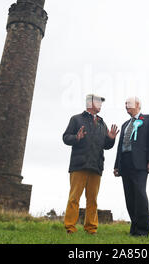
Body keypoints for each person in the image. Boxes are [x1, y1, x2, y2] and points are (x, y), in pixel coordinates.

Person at [63, 94, 119, 234]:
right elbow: (66, 137)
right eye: (99, 102)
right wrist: (77, 137)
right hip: (79, 165)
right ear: (90, 103)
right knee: (74, 198)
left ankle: (91, 228)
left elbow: (106, 145)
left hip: (96, 166)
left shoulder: (101, 123)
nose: (101, 104)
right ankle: (70, 227)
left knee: (92, 199)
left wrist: (111, 139)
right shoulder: (76, 119)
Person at [114, 96, 149, 237]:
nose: (126, 106)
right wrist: (117, 165)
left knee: (139, 195)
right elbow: (120, 146)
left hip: (140, 164)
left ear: (138, 104)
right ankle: (134, 229)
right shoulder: (124, 124)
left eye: (129, 104)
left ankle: (142, 231)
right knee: (129, 197)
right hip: (125, 164)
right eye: (125, 104)